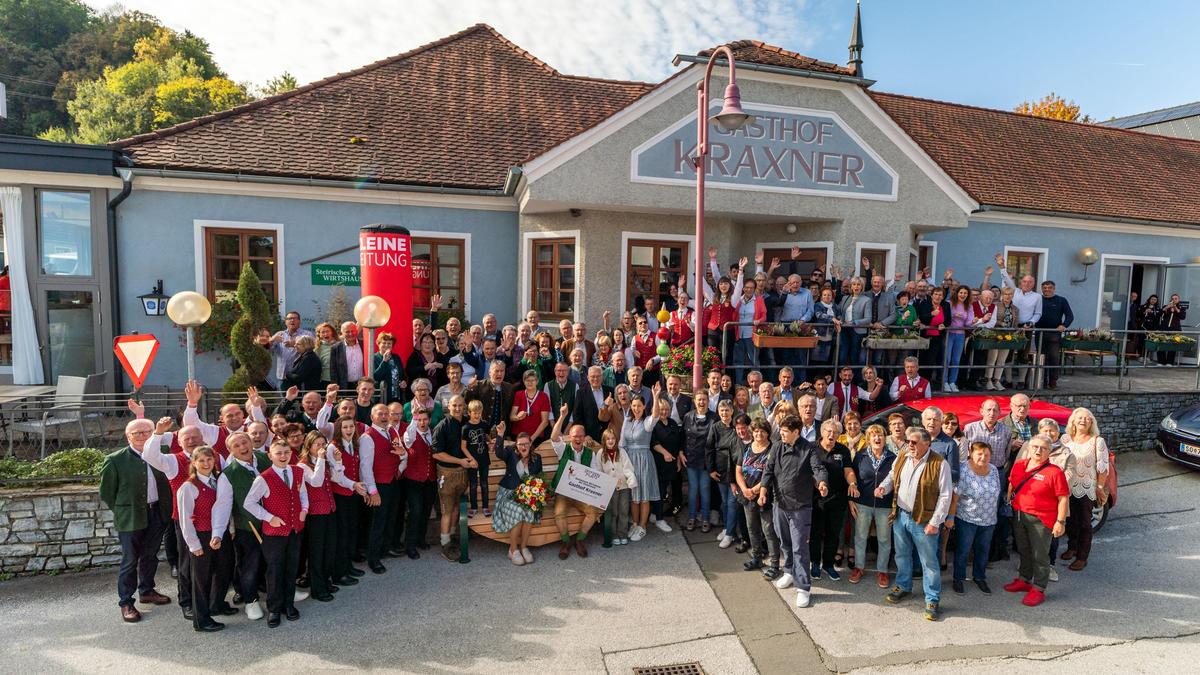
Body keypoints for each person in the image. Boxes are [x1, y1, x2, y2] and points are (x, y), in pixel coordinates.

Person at [98, 419, 174, 623]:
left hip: (157, 512)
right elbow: (107, 492)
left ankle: (147, 590)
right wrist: (123, 510)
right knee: (130, 560)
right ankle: (126, 602)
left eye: (147, 431)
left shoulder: (162, 452)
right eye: (136, 433)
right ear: (127, 436)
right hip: (130, 516)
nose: (142, 436)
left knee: (150, 555)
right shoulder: (115, 459)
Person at [876, 427, 953, 622]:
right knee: (901, 554)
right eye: (908, 441)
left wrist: (935, 522)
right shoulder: (903, 456)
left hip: (924, 520)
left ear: (927, 443)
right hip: (901, 516)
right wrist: (883, 488)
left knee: (929, 562)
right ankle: (904, 586)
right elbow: (893, 476)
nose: (909, 444)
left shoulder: (939, 463)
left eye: (914, 442)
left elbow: (945, 496)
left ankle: (932, 599)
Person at [759, 415, 829, 609]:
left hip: (800, 507)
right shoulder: (777, 446)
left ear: (796, 432)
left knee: (800, 547)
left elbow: (818, 469)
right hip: (779, 504)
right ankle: (789, 571)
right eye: (780, 431)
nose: (781, 434)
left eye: (785, 432)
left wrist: (822, 483)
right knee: (785, 541)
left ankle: (803, 588)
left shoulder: (809, 449)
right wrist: (763, 491)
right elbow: (768, 470)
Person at [243, 440, 309, 628]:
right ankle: (274, 608)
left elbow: (302, 492)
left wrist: (304, 509)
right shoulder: (264, 478)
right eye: (278, 453)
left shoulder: (297, 472)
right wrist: (269, 517)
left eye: (286, 452)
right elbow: (249, 503)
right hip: (274, 532)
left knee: (291, 567)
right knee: (275, 570)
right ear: (270, 456)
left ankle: (288, 604)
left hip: (295, 527)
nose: (283, 456)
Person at [1005, 434, 1069, 606]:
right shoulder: (1019, 465)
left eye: (1043, 448)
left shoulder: (1054, 472)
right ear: (1029, 448)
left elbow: (1063, 498)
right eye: (1035, 447)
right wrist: (1009, 499)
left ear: (1049, 451)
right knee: (1024, 550)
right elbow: (1012, 483)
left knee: (1040, 555)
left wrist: (1060, 522)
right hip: (1019, 515)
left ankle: (1039, 588)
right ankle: (1024, 580)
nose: (1038, 451)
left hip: (1042, 520)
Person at [174, 446, 232, 632]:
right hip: (201, 536)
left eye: (209, 460)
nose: (206, 464)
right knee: (201, 579)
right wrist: (194, 545)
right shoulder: (188, 487)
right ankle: (201, 620)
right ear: (194, 463)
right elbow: (185, 519)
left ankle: (216, 604)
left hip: (219, 534)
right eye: (201, 461)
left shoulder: (218, 481)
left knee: (223, 570)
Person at [549, 406, 604, 559]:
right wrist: (561, 416)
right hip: (564, 492)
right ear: (570, 437)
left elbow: (594, 474)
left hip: (582, 492)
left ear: (585, 437)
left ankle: (580, 540)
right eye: (575, 436)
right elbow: (554, 437)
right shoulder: (562, 449)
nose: (578, 438)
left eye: (581, 436)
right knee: (559, 513)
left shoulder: (589, 453)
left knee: (593, 512)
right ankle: (566, 542)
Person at [949, 441, 1001, 595]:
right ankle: (958, 578)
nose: (983, 457)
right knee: (963, 551)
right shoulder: (964, 470)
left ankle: (979, 577)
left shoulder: (993, 470)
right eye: (979, 454)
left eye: (986, 454)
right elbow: (955, 497)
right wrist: (950, 517)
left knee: (983, 551)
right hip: (967, 519)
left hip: (989, 519)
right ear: (971, 454)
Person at [1061, 407, 1110, 572]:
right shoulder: (1066, 439)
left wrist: (1100, 487)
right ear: (1073, 421)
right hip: (1067, 486)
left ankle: (1082, 557)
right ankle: (1072, 547)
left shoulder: (1097, 441)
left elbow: (1103, 467)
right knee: (1070, 520)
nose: (1083, 420)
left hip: (1087, 487)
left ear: (1091, 423)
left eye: (1087, 418)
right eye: (1079, 418)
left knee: (1084, 523)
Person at [849, 424, 895, 588]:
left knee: (884, 538)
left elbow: (896, 482)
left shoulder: (892, 457)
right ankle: (859, 567)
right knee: (860, 537)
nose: (877, 438)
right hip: (863, 503)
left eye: (880, 435)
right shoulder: (860, 456)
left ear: (885, 438)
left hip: (885, 505)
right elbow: (851, 476)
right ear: (868, 439)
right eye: (873, 435)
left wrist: (895, 506)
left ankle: (882, 570)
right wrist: (851, 500)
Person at [809, 419, 856, 581]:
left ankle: (828, 565)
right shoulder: (811, 448)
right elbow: (807, 472)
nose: (832, 434)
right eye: (829, 431)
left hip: (837, 498)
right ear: (822, 432)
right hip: (816, 499)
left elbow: (848, 470)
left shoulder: (842, 450)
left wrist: (853, 483)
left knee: (833, 533)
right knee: (815, 532)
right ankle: (815, 563)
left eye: (835, 432)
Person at [361, 403, 405, 574]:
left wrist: (401, 453)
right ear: (372, 417)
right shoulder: (367, 437)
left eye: (386, 413)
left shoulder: (391, 431)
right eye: (380, 414)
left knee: (389, 518)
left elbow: (403, 454)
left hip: (392, 480)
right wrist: (373, 491)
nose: (385, 416)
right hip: (379, 484)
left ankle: (384, 549)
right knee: (377, 523)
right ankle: (373, 559)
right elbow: (365, 467)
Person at [297, 431, 340, 603]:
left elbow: (336, 478)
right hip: (315, 513)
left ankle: (326, 580)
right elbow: (316, 482)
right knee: (316, 551)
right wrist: (322, 459)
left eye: (323, 444)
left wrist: (337, 462)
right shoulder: (303, 465)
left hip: (329, 509)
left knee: (329, 548)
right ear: (309, 447)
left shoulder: (324, 461)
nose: (321, 448)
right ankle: (317, 587)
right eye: (317, 445)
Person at [492, 425, 545, 563]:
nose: (523, 447)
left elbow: (540, 478)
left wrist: (538, 495)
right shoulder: (510, 452)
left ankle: (524, 547)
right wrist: (501, 434)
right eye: (521, 444)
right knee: (518, 510)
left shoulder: (537, 458)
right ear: (516, 445)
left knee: (529, 510)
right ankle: (513, 549)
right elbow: (498, 452)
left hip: (527, 494)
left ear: (530, 444)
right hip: (508, 493)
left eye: (526, 444)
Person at [737, 418, 782, 579]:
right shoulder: (747, 448)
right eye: (756, 431)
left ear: (768, 433)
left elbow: (769, 475)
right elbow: (738, 470)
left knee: (768, 530)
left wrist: (754, 490)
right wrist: (744, 489)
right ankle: (757, 558)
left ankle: (775, 564)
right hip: (747, 495)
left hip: (765, 497)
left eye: (762, 431)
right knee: (752, 528)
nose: (758, 434)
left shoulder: (773, 450)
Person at [326, 416, 368, 580]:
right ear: (339, 429)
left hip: (352, 494)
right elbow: (336, 477)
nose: (349, 430)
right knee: (342, 534)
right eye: (345, 427)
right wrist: (354, 485)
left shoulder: (354, 445)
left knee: (351, 531)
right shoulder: (333, 448)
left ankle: (348, 566)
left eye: (351, 427)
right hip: (340, 495)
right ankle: (339, 573)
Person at [432, 395, 473, 562]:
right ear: (448, 406)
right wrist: (459, 461)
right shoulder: (442, 426)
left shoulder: (468, 422)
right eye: (454, 405)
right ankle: (445, 543)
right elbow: (436, 453)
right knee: (447, 510)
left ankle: (453, 534)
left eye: (460, 405)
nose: (457, 408)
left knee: (457, 506)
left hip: (463, 472)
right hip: (447, 473)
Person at [619, 395, 659, 541]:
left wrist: (655, 397)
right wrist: (621, 462)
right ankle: (635, 524)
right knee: (634, 496)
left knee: (644, 496)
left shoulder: (647, 422)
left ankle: (643, 526)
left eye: (639, 406)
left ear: (644, 407)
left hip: (644, 459)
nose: (636, 409)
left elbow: (655, 416)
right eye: (634, 406)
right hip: (629, 459)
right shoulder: (627, 421)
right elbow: (621, 442)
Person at [399, 406, 437, 558]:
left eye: (425, 419)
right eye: (419, 420)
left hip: (430, 479)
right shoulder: (411, 434)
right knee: (415, 512)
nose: (422, 422)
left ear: (429, 420)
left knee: (426, 511)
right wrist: (414, 418)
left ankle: (421, 539)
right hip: (414, 479)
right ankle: (410, 545)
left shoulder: (433, 433)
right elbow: (409, 436)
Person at [707, 400, 743, 548]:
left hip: (735, 470)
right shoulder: (715, 427)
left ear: (732, 411)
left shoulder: (737, 428)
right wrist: (711, 469)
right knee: (724, 503)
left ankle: (729, 534)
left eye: (727, 410)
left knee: (732, 503)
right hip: (720, 470)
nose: (724, 413)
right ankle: (727, 528)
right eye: (721, 411)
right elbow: (709, 448)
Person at [599, 427, 639, 546]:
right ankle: (614, 534)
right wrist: (607, 482)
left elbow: (627, 468)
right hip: (610, 488)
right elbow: (599, 471)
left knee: (623, 510)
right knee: (613, 512)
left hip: (624, 486)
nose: (611, 441)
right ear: (604, 441)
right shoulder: (601, 454)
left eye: (613, 439)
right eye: (608, 439)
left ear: (616, 440)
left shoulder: (621, 452)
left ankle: (623, 534)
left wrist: (630, 480)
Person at [682, 389, 714, 531]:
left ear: (708, 401)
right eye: (699, 399)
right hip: (691, 459)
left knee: (705, 489)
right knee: (693, 490)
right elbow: (682, 437)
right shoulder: (688, 416)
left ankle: (706, 518)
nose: (701, 402)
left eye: (704, 399)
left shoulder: (714, 417)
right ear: (694, 401)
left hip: (707, 461)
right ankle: (692, 517)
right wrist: (681, 452)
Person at [650, 397, 684, 530]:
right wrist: (665, 453)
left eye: (666, 410)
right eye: (661, 409)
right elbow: (654, 443)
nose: (664, 412)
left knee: (666, 489)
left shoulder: (673, 423)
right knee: (660, 490)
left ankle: (654, 514)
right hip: (659, 462)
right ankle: (659, 519)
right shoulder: (654, 424)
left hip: (672, 462)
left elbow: (678, 442)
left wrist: (678, 459)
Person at [1034, 280, 1074, 388]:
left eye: (1049, 287)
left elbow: (1070, 316)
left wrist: (1064, 325)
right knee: (1041, 357)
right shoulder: (1038, 300)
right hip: (1039, 333)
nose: (1047, 290)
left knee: (1054, 358)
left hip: (1054, 334)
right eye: (1045, 288)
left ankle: (1052, 382)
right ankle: (1041, 381)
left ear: (1054, 289)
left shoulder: (1061, 300)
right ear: (1042, 289)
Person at [460, 399, 492, 518]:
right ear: (469, 412)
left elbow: (487, 437)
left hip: (484, 459)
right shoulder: (466, 428)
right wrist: (471, 459)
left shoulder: (484, 424)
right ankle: (473, 507)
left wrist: (490, 442)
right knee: (473, 484)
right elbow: (463, 447)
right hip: (472, 460)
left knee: (484, 483)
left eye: (479, 412)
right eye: (475, 413)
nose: (477, 415)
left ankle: (485, 506)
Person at [984, 286, 1020, 390]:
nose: (1008, 296)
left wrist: (1016, 333)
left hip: (1008, 336)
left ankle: (997, 380)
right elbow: (991, 319)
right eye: (1006, 294)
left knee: (1002, 360)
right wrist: (1001, 323)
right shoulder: (995, 306)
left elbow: (1016, 323)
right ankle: (988, 380)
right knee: (992, 358)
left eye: (1010, 294)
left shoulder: (1015, 309)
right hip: (995, 334)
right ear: (1002, 295)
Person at [268, 311, 315, 389]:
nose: (292, 320)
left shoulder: (307, 334)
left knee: (302, 400)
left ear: (299, 321)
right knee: (285, 400)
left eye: (295, 318)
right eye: (289, 318)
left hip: (301, 377)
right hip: (284, 377)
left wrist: (295, 344)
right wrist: (271, 340)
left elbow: (313, 349)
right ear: (286, 322)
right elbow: (269, 349)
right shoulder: (279, 334)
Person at [835, 277, 871, 375]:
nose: (856, 287)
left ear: (862, 287)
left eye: (858, 284)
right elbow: (839, 312)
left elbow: (868, 318)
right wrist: (840, 320)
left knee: (854, 357)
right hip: (844, 330)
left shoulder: (866, 300)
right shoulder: (845, 298)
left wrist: (855, 322)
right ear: (851, 286)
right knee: (842, 356)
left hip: (858, 331)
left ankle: (855, 381)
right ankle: (841, 379)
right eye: (854, 284)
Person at [916, 286, 950, 389]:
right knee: (922, 360)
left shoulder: (946, 305)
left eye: (940, 295)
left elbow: (949, 319)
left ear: (943, 297)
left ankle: (928, 384)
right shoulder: (925, 304)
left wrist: (944, 324)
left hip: (938, 337)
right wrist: (931, 314)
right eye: (936, 294)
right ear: (931, 295)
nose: (938, 296)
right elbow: (921, 317)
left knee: (932, 360)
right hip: (925, 336)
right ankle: (920, 383)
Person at [571, 365, 613, 443]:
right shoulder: (581, 393)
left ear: (602, 377)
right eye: (593, 376)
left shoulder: (610, 391)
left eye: (598, 376)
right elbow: (577, 416)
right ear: (588, 378)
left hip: (608, 436)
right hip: (589, 437)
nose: (595, 379)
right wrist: (584, 435)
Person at [511, 368, 552, 445]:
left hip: (536, 437)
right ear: (524, 381)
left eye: (532, 380)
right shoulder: (518, 395)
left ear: (537, 381)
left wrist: (532, 438)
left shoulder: (543, 396)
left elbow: (545, 421)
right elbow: (512, 416)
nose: (530, 383)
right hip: (519, 436)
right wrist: (517, 417)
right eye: (527, 380)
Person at [372, 332, 407, 404]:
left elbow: (402, 374)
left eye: (389, 343)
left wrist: (403, 381)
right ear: (378, 344)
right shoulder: (374, 358)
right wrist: (384, 361)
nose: (386, 345)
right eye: (384, 343)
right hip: (382, 397)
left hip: (397, 396)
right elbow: (375, 377)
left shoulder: (396, 357)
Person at [331, 322, 366, 390]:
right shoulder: (336, 348)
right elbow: (333, 371)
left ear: (356, 331)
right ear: (342, 333)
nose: (350, 334)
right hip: (344, 387)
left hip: (362, 386)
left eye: (352, 331)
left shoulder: (364, 345)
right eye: (347, 332)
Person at [1158, 293, 1187, 365]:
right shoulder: (1166, 306)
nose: (1174, 300)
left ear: (1178, 300)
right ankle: (1161, 361)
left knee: (1173, 345)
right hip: (1164, 328)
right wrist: (1167, 307)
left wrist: (1176, 308)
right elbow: (1159, 314)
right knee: (1161, 344)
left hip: (1175, 329)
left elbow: (1182, 317)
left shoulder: (1181, 308)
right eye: (1173, 298)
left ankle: (1170, 362)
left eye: (1175, 298)